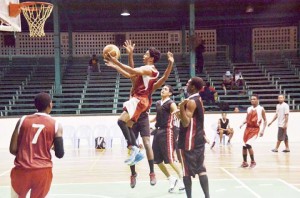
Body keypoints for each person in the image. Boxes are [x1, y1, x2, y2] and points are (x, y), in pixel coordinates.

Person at [106, 40, 174, 188]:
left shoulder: (150, 72)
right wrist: (119, 63)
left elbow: (135, 72)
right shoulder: (142, 78)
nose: (143, 55)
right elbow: (130, 72)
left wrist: (116, 61)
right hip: (137, 105)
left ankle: (150, 171)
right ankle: (133, 171)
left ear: (150, 58)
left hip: (140, 107)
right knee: (128, 136)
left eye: (145, 54)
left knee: (139, 138)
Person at [9, 92, 64, 198]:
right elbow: (60, 154)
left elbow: (12, 149)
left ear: (35, 105)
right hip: (43, 172)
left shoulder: (22, 120)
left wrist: (26, 154)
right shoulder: (57, 125)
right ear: (50, 105)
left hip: (22, 170)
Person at [177, 77, 210, 198]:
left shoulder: (190, 102)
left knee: (186, 170)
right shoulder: (199, 100)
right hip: (199, 139)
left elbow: (186, 123)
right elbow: (195, 120)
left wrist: (180, 107)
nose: (186, 84)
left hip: (188, 141)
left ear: (193, 87)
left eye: (188, 83)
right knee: (201, 169)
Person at [150, 85, 185, 193]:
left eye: (165, 89)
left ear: (170, 93)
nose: (162, 90)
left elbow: (176, 114)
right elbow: (157, 116)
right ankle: (171, 179)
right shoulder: (157, 103)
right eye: (162, 88)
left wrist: (178, 112)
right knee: (157, 160)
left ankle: (182, 179)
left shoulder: (171, 103)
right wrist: (148, 121)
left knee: (169, 159)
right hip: (157, 132)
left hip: (167, 132)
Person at [239, 94, 267, 168]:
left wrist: (263, 130)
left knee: (248, 144)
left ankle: (253, 162)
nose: (252, 100)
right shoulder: (249, 108)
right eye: (251, 99)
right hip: (247, 128)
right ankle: (245, 162)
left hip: (255, 129)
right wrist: (242, 123)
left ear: (257, 100)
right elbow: (246, 118)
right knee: (244, 146)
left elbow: (265, 120)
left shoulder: (261, 109)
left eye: (254, 99)